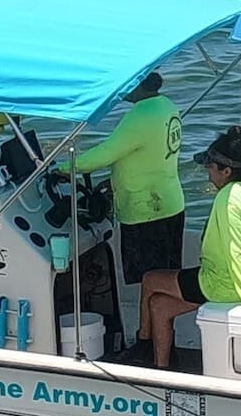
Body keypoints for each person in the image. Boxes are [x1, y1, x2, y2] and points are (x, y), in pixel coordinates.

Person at [134, 125, 241, 369]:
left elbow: (236, 251)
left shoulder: (227, 201)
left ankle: (141, 344)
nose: (208, 174)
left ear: (226, 170)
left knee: (149, 280)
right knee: (158, 305)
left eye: (211, 168)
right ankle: (161, 368)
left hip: (221, 284)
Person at [70, 71, 185, 292]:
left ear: (137, 86)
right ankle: (162, 325)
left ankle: (150, 327)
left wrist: (66, 167)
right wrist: (112, 180)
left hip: (146, 212)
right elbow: (150, 152)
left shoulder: (140, 116)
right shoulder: (167, 106)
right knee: (168, 277)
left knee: (150, 281)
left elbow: (105, 154)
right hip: (170, 203)